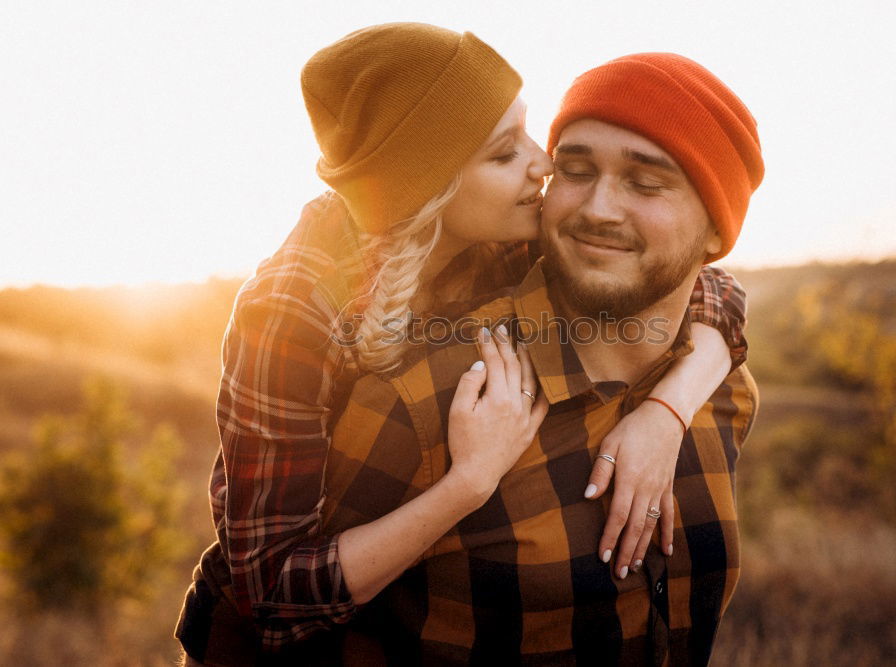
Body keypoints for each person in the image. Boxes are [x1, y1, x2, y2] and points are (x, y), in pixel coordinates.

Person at [176, 24, 750, 665]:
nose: (544, 163)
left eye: (529, 131)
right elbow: (273, 593)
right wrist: (469, 482)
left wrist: (666, 412)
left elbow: (699, 284)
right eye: (504, 153)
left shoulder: (507, 227)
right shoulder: (293, 311)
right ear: (431, 190)